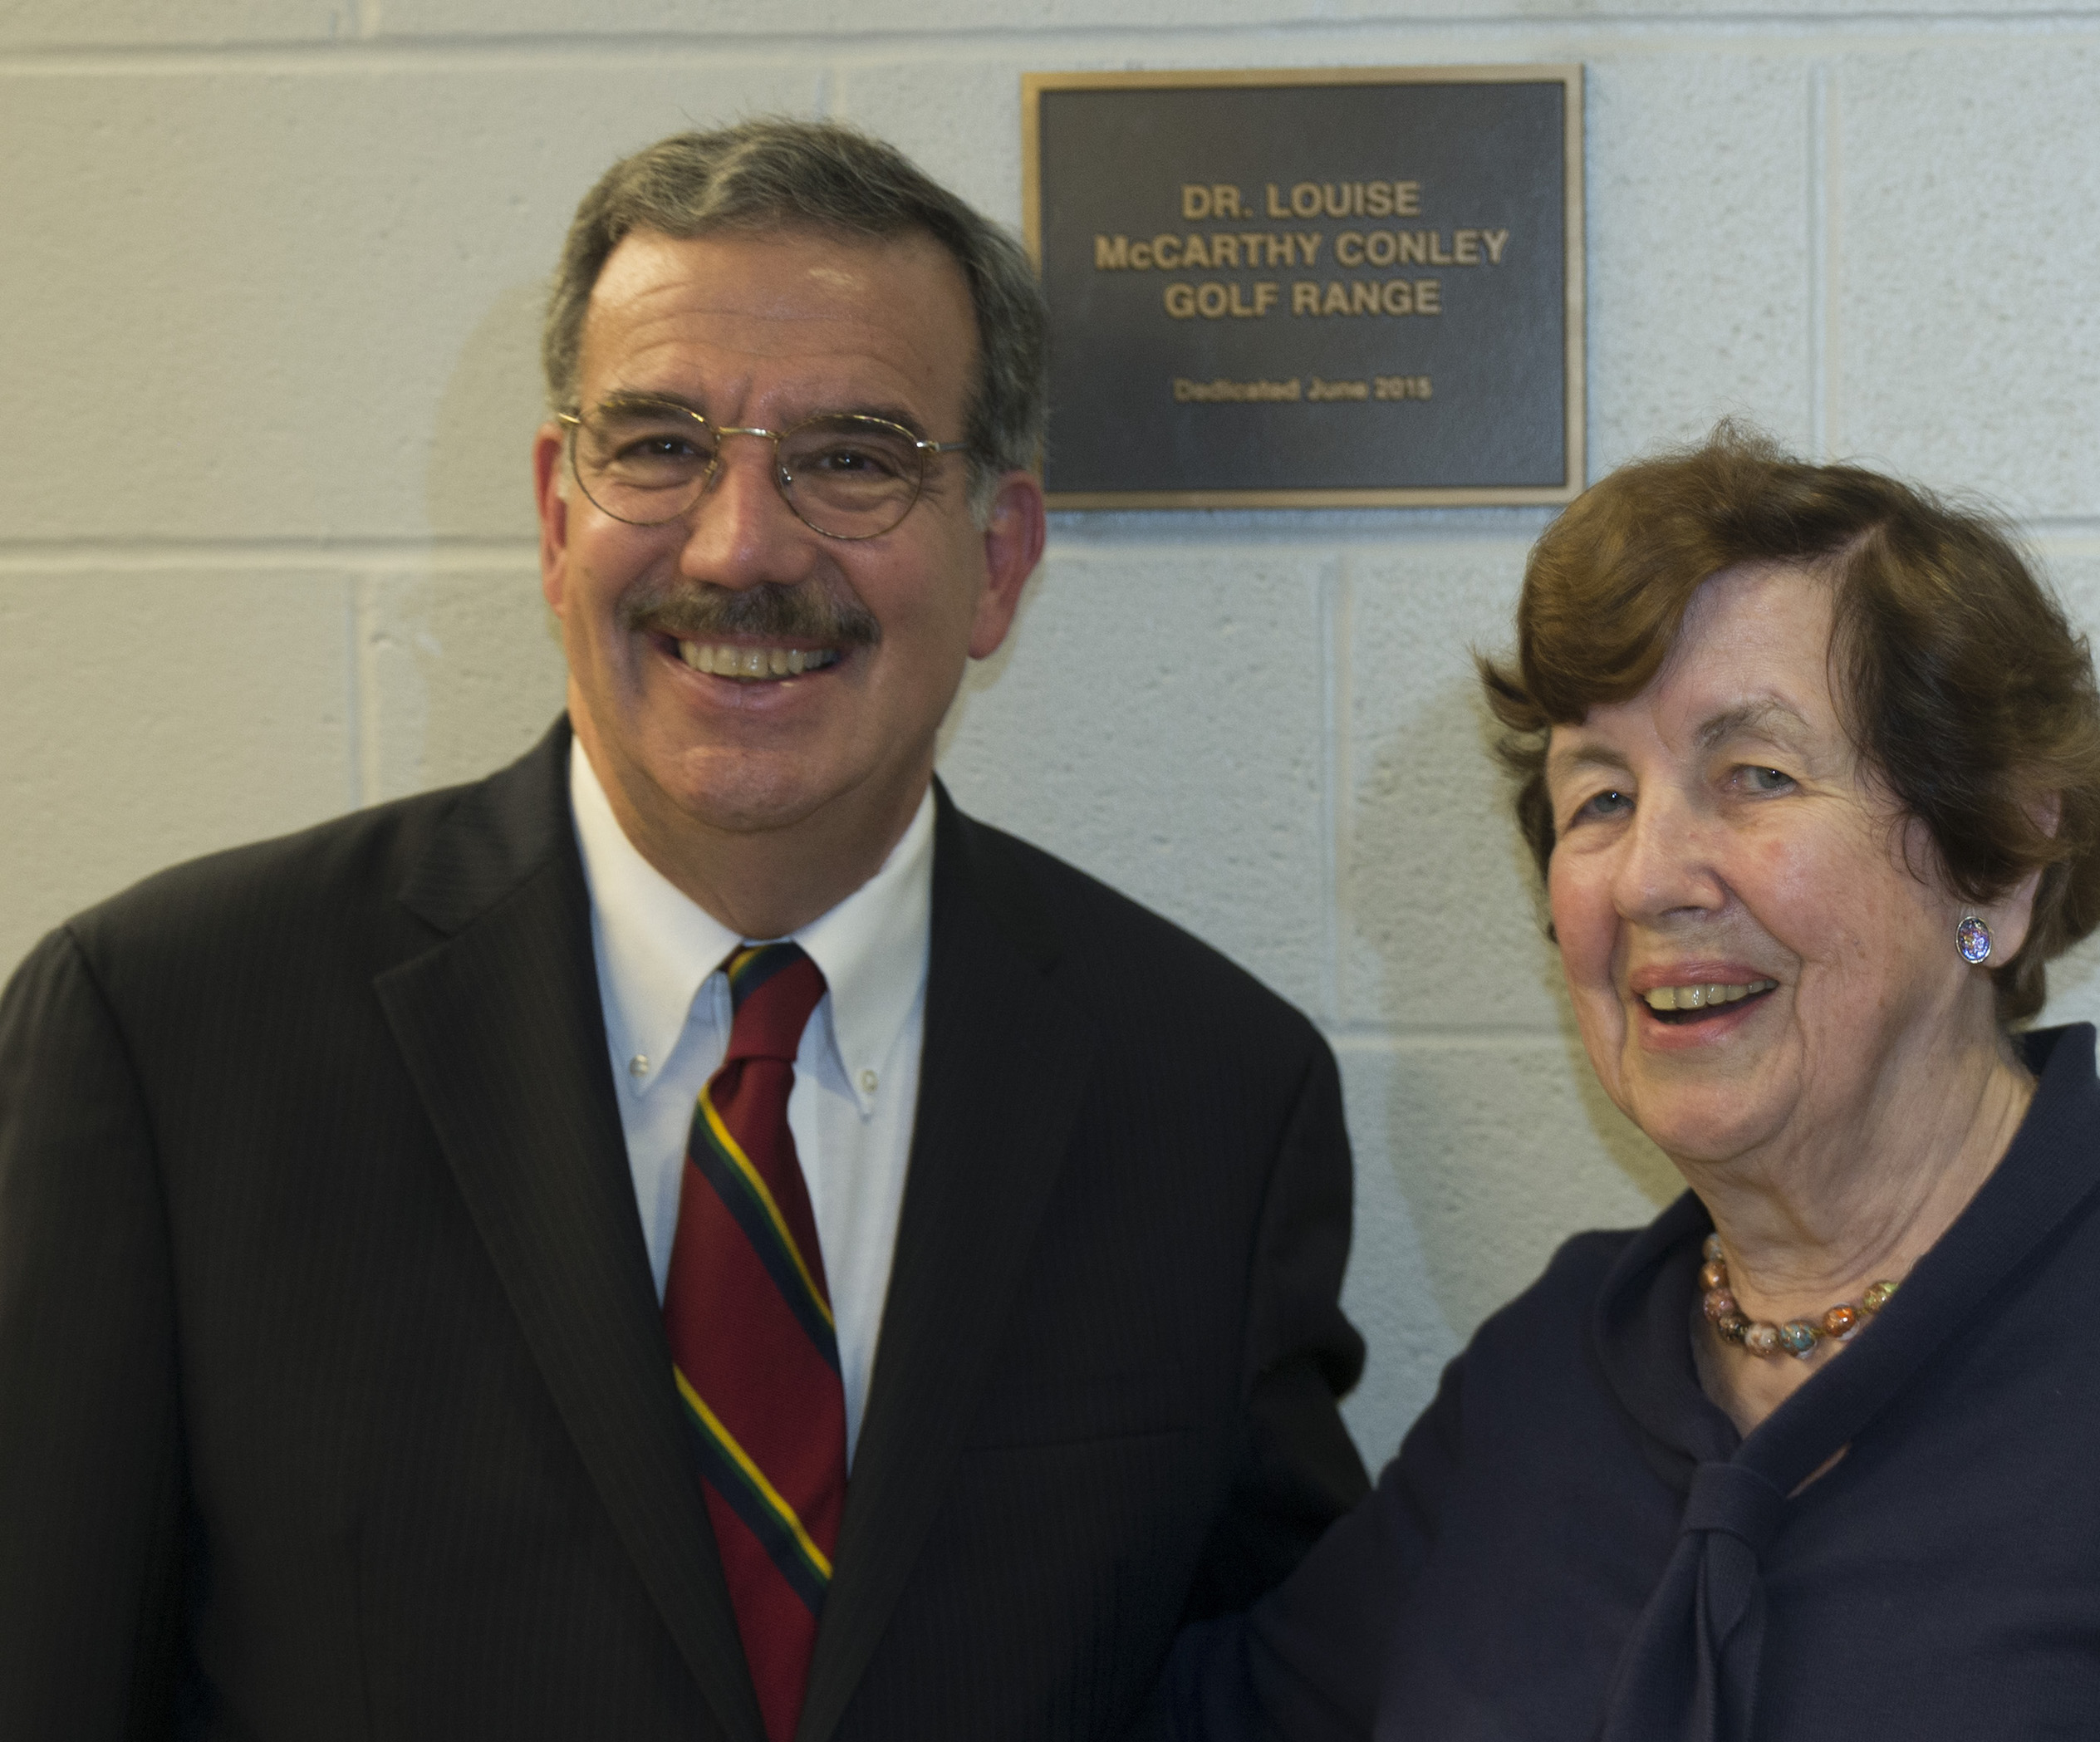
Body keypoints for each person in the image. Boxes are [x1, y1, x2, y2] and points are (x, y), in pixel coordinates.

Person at [0, 119, 1366, 1742]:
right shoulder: (169, 1039)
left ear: (997, 557)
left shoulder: (1210, 1096)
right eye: (656, 445)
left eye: (851, 455)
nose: (739, 545)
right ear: (555, 514)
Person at [1165, 424, 2100, 1739]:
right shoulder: (1547, 1375)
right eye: (1597, 796)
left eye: (1755, 776)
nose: (1653, 874)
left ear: (1996, 861)